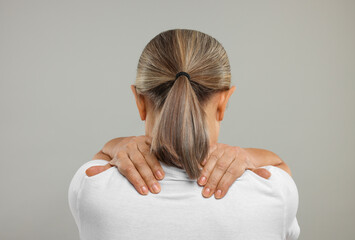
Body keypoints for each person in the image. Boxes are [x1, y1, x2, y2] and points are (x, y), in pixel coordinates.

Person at [68, 29, 300, 240]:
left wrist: (116, 145)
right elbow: (281, 167)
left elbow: (98, 160)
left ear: (140, 101)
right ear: (223, 102)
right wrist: (246, 156)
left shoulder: (93, 189)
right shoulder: (271, 194)